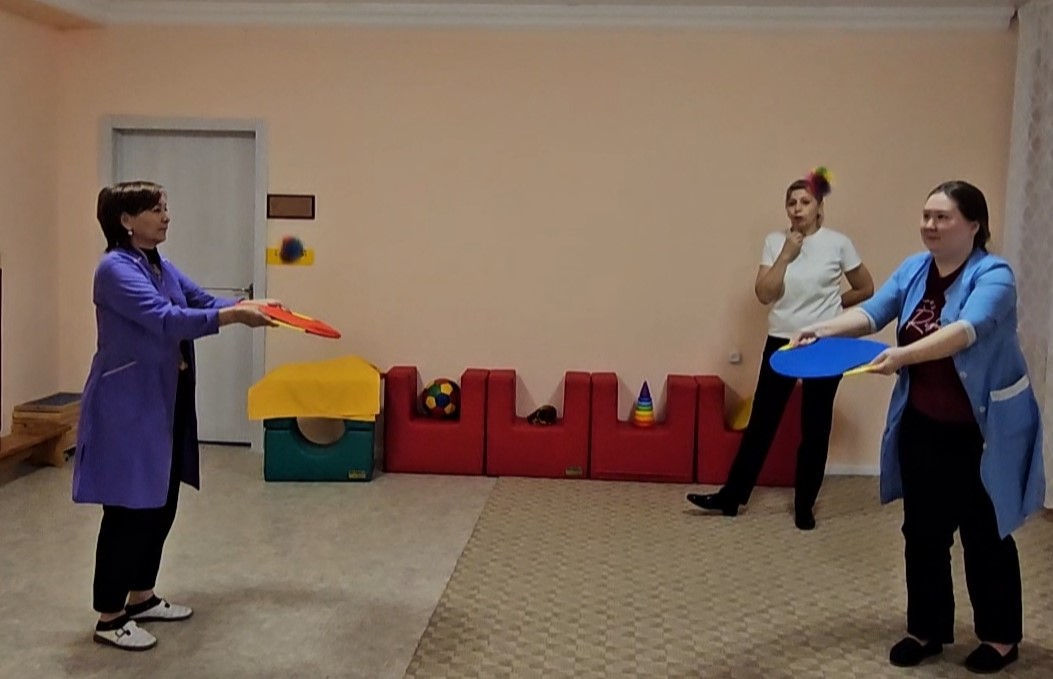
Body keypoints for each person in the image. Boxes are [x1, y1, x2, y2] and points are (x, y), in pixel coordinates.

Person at [792, 180, 1045, 673]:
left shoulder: (994, 275)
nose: (930, 225)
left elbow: (965, 331)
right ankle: (926, 629)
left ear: (973, 225)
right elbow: (872, 313)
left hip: (983, 432)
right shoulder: (914, 269)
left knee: (985, 533)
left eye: (942, 217)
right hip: (924, 424)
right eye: (927, 215)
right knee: (923, 531)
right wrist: (820, 329)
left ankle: (999, 638)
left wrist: (901, 355)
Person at [73, 181, 278, 651]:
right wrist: (235, 317)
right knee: (128, 508)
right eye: (155, 209)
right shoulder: (114, 269)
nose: (166, 216)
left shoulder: (158, 265)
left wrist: (249, 306)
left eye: (165, 207)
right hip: (127, 404)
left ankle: (141, 595)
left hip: (165, 398)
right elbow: (166, 319)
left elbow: (200, 301)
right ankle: (110, 616)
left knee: (161, 500)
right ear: (126, 220)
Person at [687, 168, 874, 529]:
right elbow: (764, 293)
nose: (797, 208)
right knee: (762, 421)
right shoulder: (775, 242)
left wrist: (833, 307)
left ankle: (805, 506)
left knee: (815, 426)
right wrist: (787, 255)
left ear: (819, 208)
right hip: (783, 340)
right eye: (791, 203)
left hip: (825, 342)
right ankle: (731, 497)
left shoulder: (839, 243)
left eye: (805, 202)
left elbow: (865, 288)